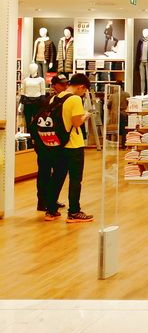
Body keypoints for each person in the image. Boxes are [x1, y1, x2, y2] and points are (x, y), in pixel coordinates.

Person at [44, 73, 94, 222]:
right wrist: (86, 115)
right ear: (81, 87)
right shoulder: (75, 99)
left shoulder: (55, 98)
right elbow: (76, 122)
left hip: (58, 144)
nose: (83, 93)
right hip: (73, 144)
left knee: (57, 177)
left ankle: (50, 210)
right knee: (75, 179)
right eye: (84, 90)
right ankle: (74, 212)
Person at [34, 74, 69, 211]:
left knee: (55, 171)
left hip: (54, 142)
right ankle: (44, 202)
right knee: (46, 171)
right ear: (54, 86)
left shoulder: (65, 100)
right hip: (46, 143)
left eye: (66, 84)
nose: (65, 86)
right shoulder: (46, 101)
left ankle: (50, 200)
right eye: (62, 84)